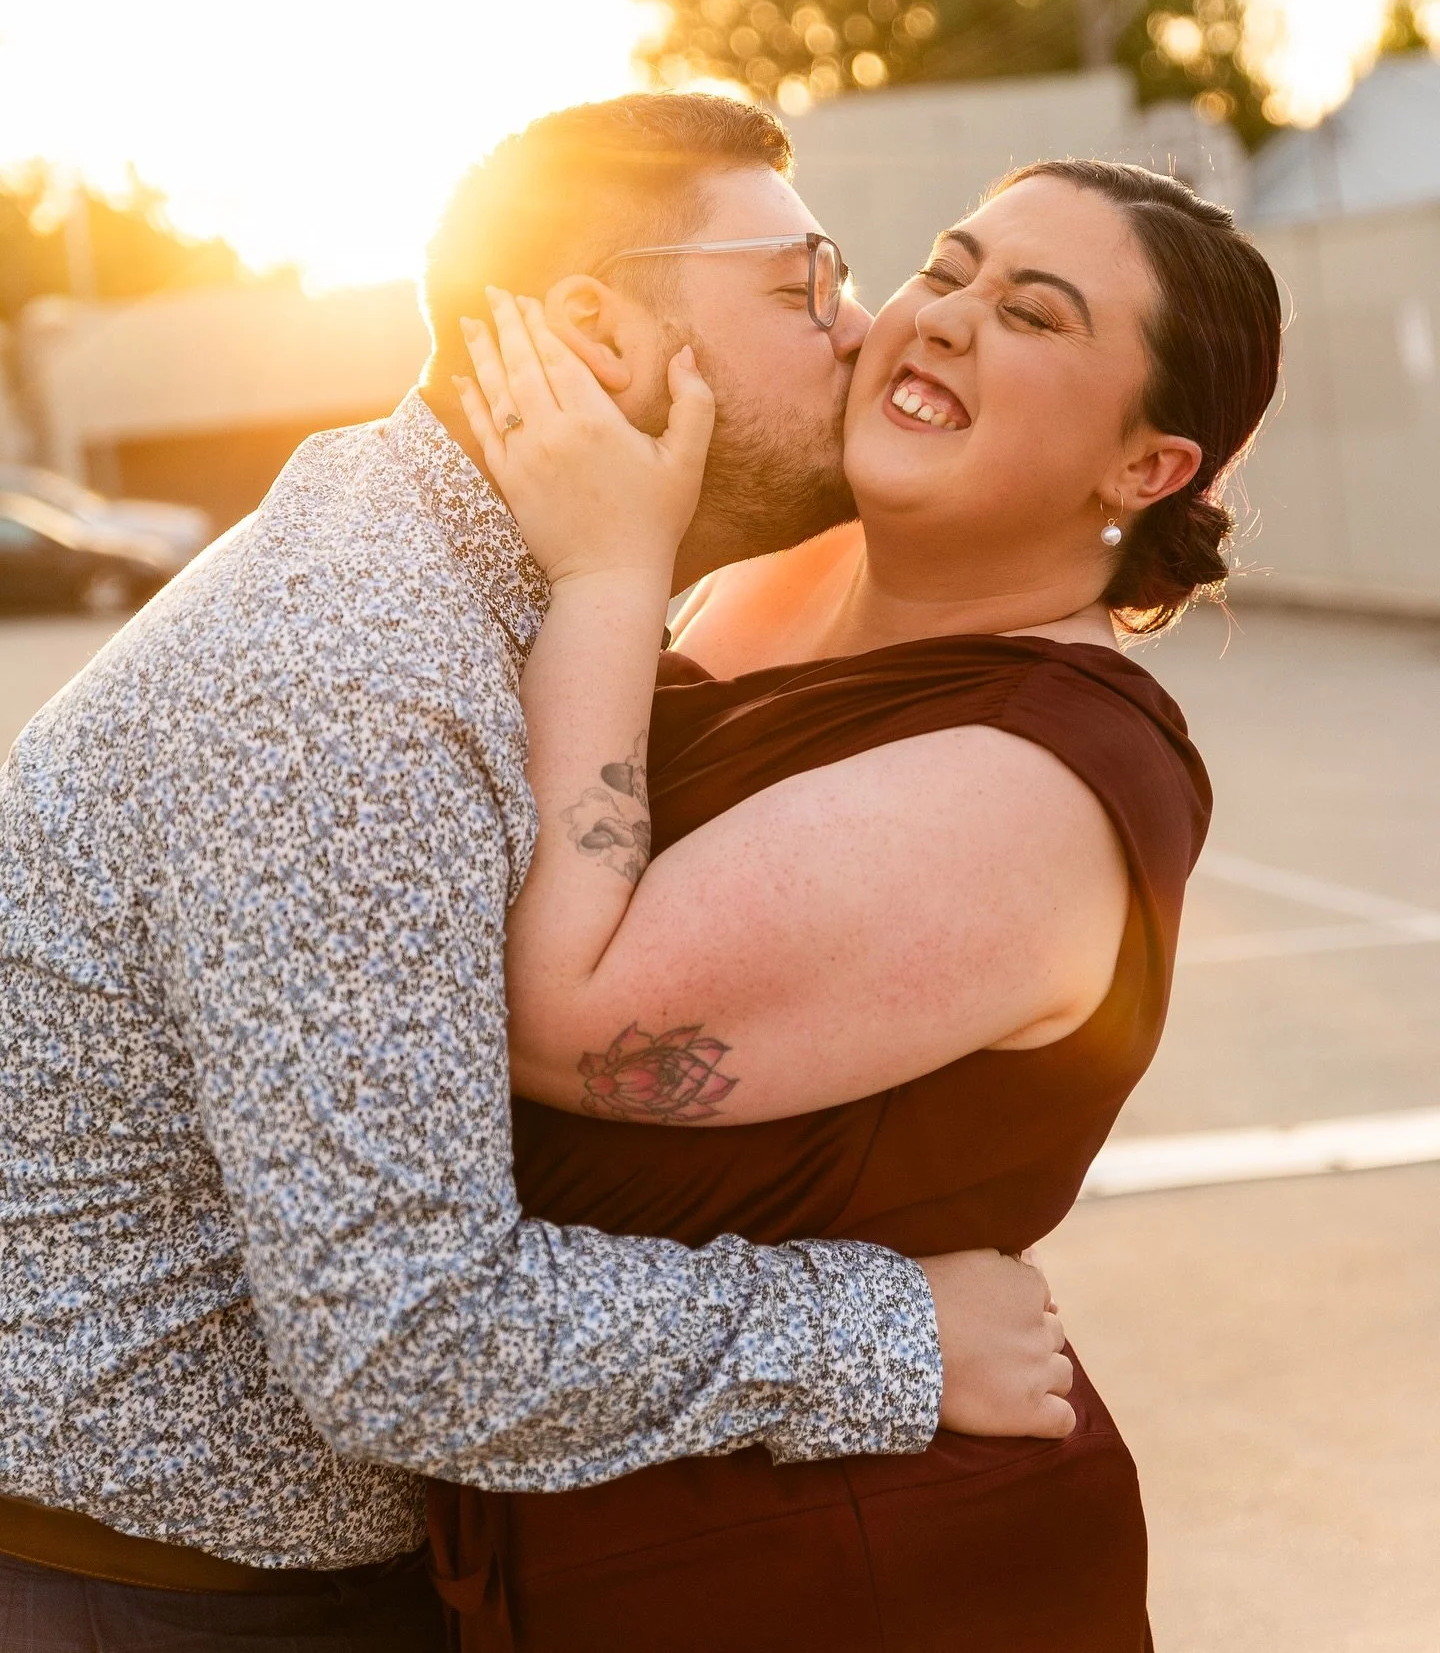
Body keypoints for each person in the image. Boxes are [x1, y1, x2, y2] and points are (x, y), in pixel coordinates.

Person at [0, 94, 1069, 1653]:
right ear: (603, 334)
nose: (864, 332)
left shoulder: (480, 587)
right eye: (804, 285)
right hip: (169, 1605)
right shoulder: (359, 681)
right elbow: (404, 1332)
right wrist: (899, 1330)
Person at [430, 156, 1282, 1650]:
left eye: (1030, 313)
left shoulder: (1039, 776)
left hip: (834, 1566)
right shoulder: (793, 565)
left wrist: (611, 571)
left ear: (1148, 467)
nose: (945, 318)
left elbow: (563, 1022)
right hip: (602, 1492)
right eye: (946, 270)